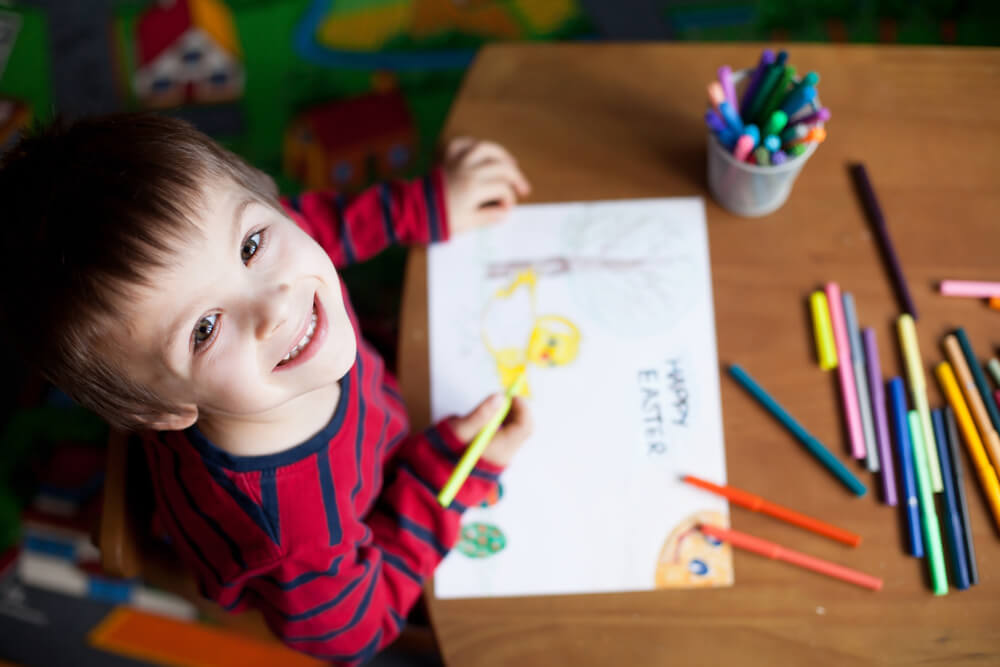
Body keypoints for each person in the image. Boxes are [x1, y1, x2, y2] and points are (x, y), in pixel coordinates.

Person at [0, 113, 533, 664]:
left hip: (379, 415)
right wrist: (444, 478)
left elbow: (306, 227)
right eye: (204, 329)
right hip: (390, 511)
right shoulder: (292, 536)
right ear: (161, 409)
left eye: (251, 245)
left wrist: (421, 207)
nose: (275, 305)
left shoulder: (273, 287)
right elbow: (357, 631)